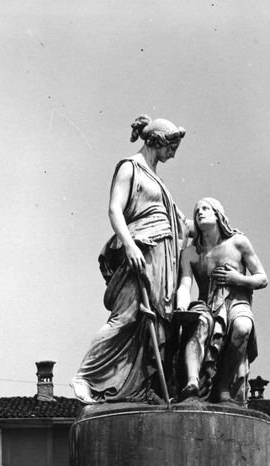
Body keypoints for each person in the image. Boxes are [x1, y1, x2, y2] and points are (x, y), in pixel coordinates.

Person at [71, 116, 190, 404]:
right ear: (157, 141)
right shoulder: (130, 167)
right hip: (140, 251)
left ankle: (141, 386)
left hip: (162, 258)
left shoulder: (156, 177)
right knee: (125, 318)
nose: (173, 153)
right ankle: (85, 376)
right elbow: (115, 210)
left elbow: (177, 221)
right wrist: (130, 246)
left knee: (155, 323)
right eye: (172, 146)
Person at [174, 197, 267, 405]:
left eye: (206, 208)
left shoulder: (238, 242)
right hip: (206, 303)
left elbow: (262, 278)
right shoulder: (190, 252)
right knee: (198, 321)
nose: (200, 212)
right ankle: (192, 384)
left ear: (218, 214)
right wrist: (181, 306)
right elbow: (185, 284)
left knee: (243, 327)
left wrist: (238, 279)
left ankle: (223, 386)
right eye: (197, 210)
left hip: (236, 301)